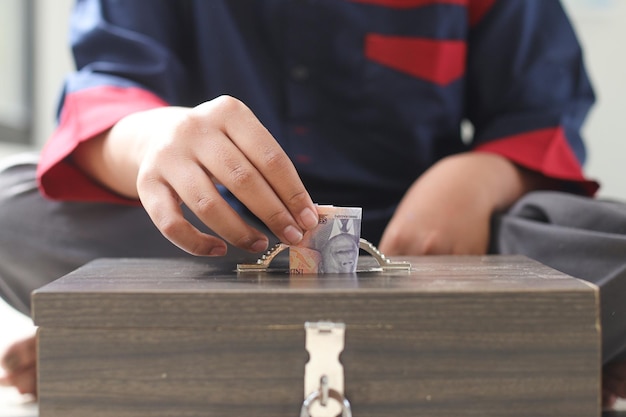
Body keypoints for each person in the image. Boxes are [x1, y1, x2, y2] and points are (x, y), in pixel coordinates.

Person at [0, 0, 623, 408]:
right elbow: (106, 90)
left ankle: (153, 340)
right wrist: (150, 139)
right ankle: (497, 353)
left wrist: (480, 176)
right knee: (14, 212)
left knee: (599, 238)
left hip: (431, 245)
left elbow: (542, 114)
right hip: (227, 236)